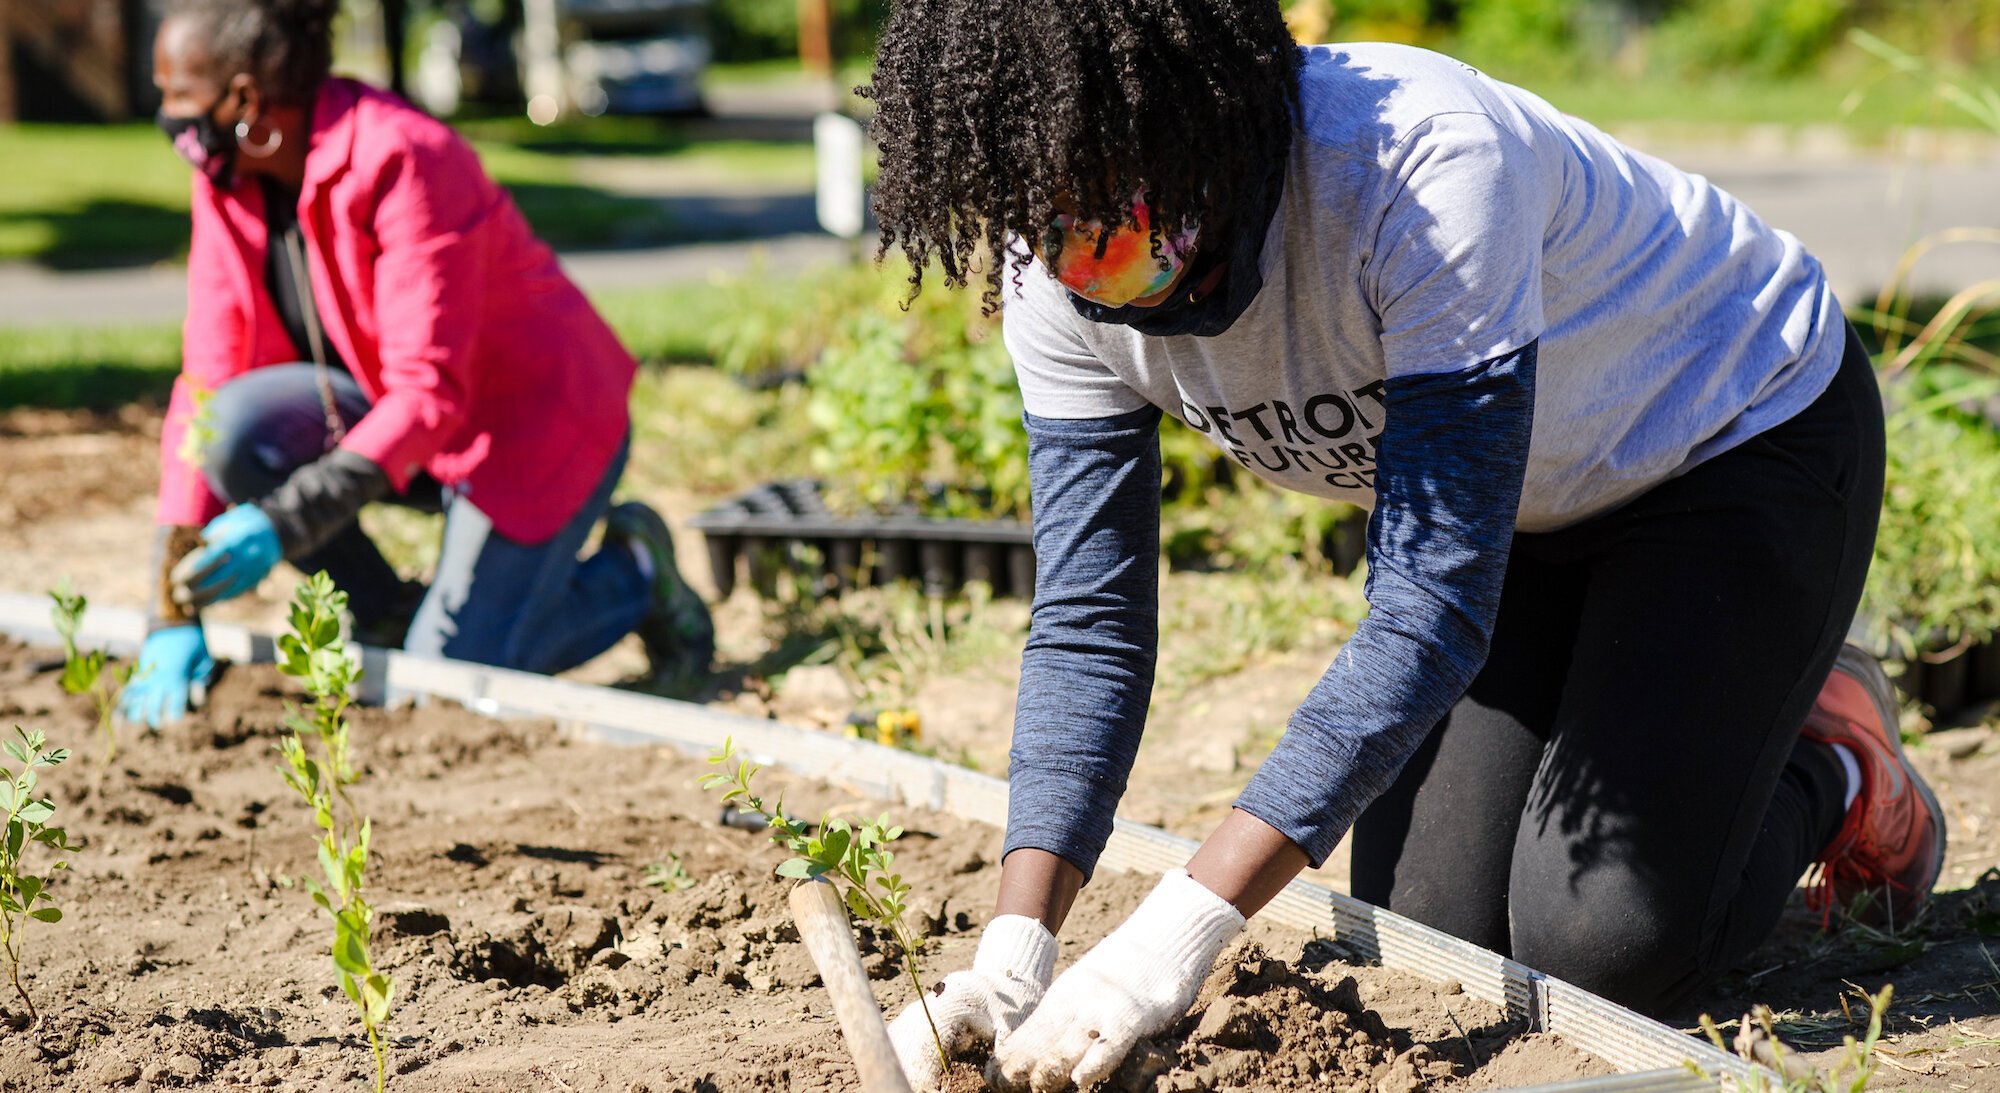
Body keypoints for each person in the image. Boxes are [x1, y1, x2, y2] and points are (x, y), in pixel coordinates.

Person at [861, 3, 1948, 1090]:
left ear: (1207, 114)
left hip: (1727, 438)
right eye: (1057, 229)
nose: (1100, 260)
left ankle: (1840, 765)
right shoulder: (1052, 273)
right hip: (1512, 513)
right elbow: (1089, 624)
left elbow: (1430, 606)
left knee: (1599, 947)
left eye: (1124, 200)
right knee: (1432, 937)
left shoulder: (1415, 167)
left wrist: (1162, 945)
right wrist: (1014, 958)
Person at [122, 0, 713, 727]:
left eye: (178, 94)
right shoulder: (229, 176)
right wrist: (168, 608)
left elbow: (430, 393)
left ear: (243, 99)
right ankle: (388, 613)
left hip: (529, 426)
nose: (167, 114)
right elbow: (207, 380)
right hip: (407, 421)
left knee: (444, 687)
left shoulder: (404, 156)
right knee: (231, 435)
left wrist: (281, 523)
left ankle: (637, 575)